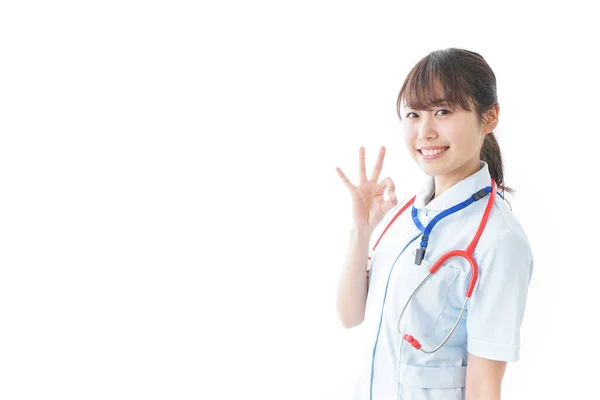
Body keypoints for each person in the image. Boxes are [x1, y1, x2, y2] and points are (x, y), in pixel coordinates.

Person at [335, 48, 534, 400]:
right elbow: (350, 316)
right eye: (414, 113)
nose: (425, 131)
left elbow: (484, 387)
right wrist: (361, 231)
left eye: (443, 111)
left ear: (489, 118)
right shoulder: (403, 215)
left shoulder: (499, 240)